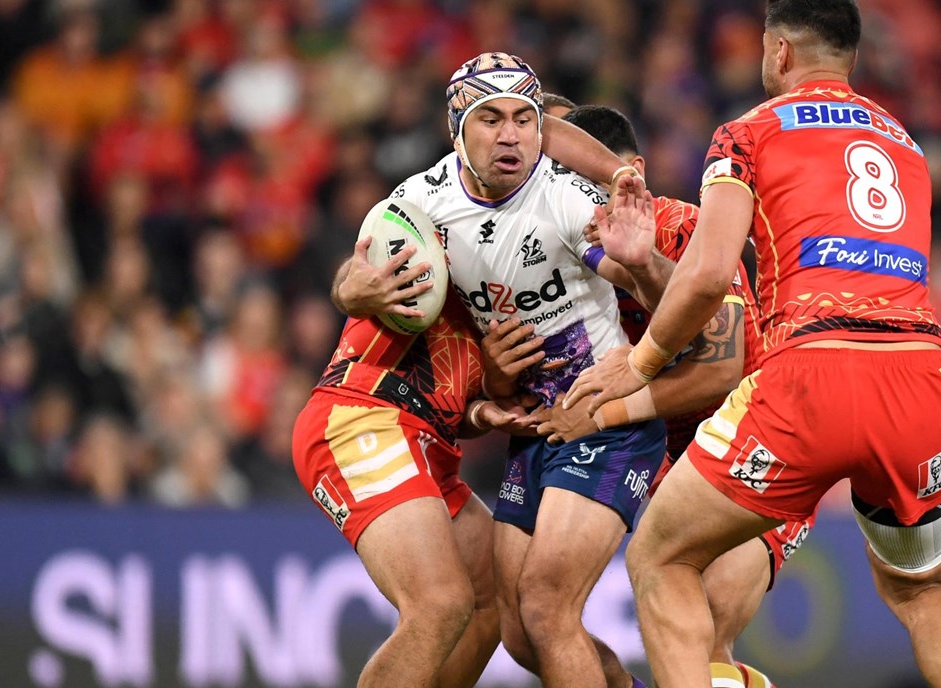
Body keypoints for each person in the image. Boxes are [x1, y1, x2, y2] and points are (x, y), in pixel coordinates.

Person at [565, 3, 941, 687]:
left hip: (812, 372)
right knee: (924, 594)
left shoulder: (749, 131)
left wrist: (638, 364)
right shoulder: (906, 143)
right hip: (918, 375)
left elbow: (706, 274)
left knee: (660, 559)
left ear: (781, 53)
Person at [357, 52, 671, 688]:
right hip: (535, 434)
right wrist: (355, 294)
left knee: (547, 606)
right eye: (492, 119)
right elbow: (354, 273)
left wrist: (643, 265)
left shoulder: (562, 195)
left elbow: (666, 303)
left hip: (603, 423)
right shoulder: (421, 201)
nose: (511, 136)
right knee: (521, 632)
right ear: (457, 130)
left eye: (525, 120)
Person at [535, 104, 811, 688]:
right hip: (654, 451)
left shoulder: (687, 230)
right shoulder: (552, 253)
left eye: (580, 187)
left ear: (629, 174)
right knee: (540, 623)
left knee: (705, 622)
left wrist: (606, 410)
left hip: (754, 439)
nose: (569, 205)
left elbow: (720, 373)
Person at [293, 237, 515, 687]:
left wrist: (478, 411)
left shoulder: (530, 273)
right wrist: (347, 291)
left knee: (494, 594)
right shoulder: (444, 207)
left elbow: (459, 403)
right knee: (440, 603)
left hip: (431, 442)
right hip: (362, 413)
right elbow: (359, 268)